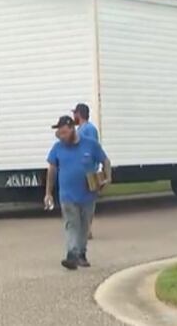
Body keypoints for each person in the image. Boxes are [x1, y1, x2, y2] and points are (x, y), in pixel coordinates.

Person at [44, 115, 111, 270]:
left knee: (84, 226)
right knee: (71, 224)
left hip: (88, 194)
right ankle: (72, 255)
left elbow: (105, 161)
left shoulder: (90, 145)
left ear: (73, 129)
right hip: (67, 195)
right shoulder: (57, 148)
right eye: (60, 133)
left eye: (65, 132)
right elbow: (52, 170)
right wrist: (48, 192)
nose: (62, 136)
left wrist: (107, 178)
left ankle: (81, 253)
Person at [72, 103, 101, 239]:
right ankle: (84, 228)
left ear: (79, 114)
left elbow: (91, 148)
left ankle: (86, 229)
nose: (73, 116)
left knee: (87, 201)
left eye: (75, 113)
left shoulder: (87, 130)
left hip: (87, 171)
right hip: (84, 170)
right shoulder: (83, 129)